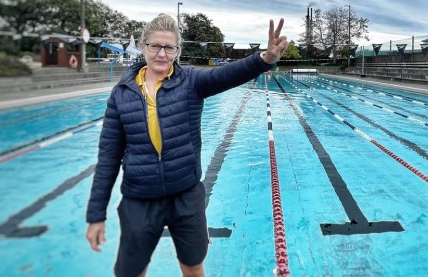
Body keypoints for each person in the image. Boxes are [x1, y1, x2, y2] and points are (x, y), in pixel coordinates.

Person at [85, 14, 288, 277]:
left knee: (193, 267)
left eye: (169, 47)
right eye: (155, 46)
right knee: (131, 271)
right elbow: (109, 158)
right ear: (144, 46)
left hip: (186, 195)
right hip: (140, 198)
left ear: (177, 50)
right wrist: (96, 215)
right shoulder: (122, 94)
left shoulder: (190, 82)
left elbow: (226, 75)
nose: (161, 54)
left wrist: (265, 59)